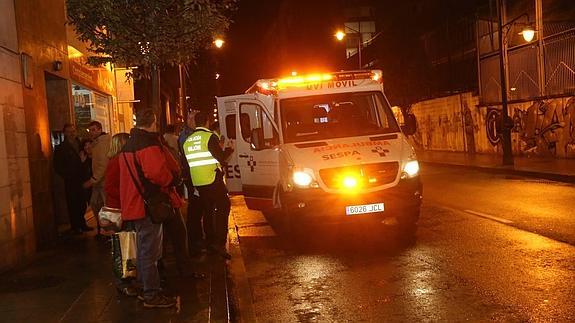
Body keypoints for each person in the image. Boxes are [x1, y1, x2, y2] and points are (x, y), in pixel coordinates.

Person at [119, 109, 181, 308]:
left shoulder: (128, 144)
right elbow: (156, 173)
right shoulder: (146, 143)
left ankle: (145, 287)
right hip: (147, 205)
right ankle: (151, 295)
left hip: (135, 203)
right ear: (153, 122)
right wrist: (172, 180)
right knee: (149, 252)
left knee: (145, 249)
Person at [183, 111, 233, 259]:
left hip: (198, 182)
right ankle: (219, 243)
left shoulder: (188, 140)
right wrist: (230, 149)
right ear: (207, 122)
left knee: (208, 211)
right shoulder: (210, 137)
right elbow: (221, 158)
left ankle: (210, 242)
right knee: (223, 207)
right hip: (213, 179)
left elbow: (187, 164)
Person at [102, 132, 138, 297]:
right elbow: (109, 187)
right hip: (119, 210)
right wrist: (126, 195)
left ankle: (127, 278)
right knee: (122, 246)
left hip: (124, 208)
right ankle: (122, 282)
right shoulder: (116, 162)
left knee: (127, 245)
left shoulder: (119, 161)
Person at [179, 112, 213, 256]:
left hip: (197, 177)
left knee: (199, 209)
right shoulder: (187, 137)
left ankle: (198, 239)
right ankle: (196, 240)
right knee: (196, 210)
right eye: (191, 118)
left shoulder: (191, 135)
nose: (194, 121)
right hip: (194, 178)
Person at [54, 124, 92, 233]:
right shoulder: (61, 148)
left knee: (82, 202)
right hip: (71, 180)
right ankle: (75, 225)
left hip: (82, 178)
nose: (72, 133)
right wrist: (68, 175)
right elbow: (58, 166)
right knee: (72, 202)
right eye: (69, 131)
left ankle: (82, 223)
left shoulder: (80, 144)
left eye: (73, 131)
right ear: (65, 133)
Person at [83, 121, 111, 237]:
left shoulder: (103, 142)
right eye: (90, 130)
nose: (92, 132)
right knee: (95, 204)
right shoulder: (97, 143)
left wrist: (93, 179)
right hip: (98, 181)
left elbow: (103, 163)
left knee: (105, 206)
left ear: (100, 129)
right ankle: (102, 228)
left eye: (94, 129)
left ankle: (108, 230)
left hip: (102, 180)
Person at [79, 139, 93, 207]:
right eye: (85, 145)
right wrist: (82, 162)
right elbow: (81, 174)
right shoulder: (83, 158)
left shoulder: (97, 157)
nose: (88, 147)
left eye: (90, 144)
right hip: (87, 187)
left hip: (96, 184)